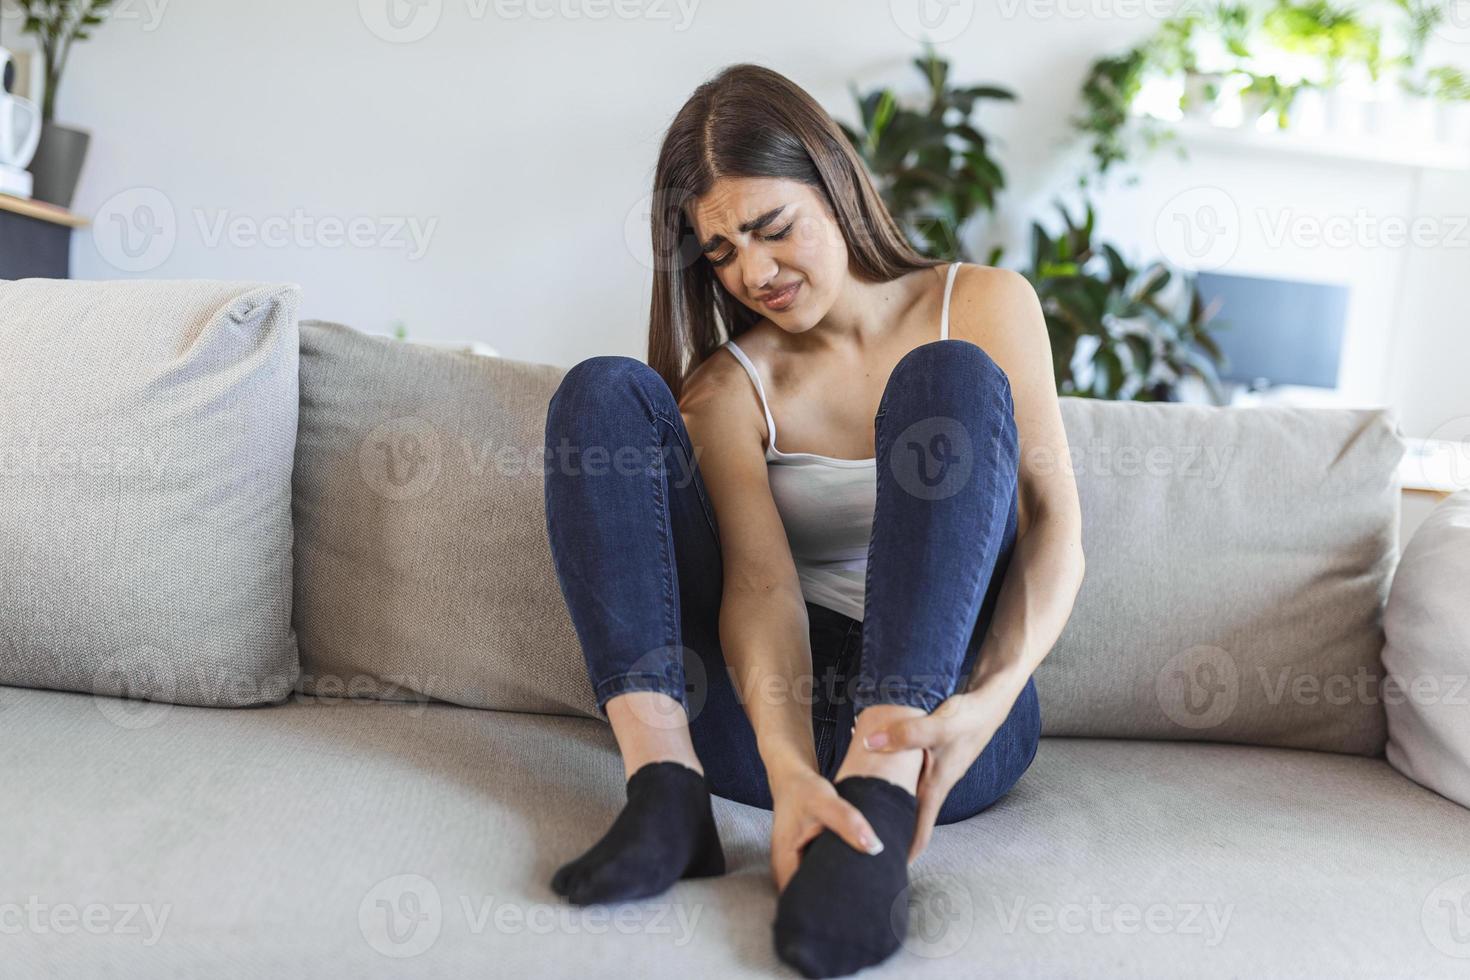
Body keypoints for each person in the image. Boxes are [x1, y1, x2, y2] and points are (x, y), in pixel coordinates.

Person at [542, 63, 1085, 978]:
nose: (752, 271)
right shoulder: (727, 388)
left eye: (771, 227)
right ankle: (664, 793)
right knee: (602, 392)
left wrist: (987, 703)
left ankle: (875, 805)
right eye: (719, 251)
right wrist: (790, 777)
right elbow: (758, 586)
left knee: (943, 378)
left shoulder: (986, 305)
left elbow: (1054, 531)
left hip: (943, 725)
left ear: (834, 184)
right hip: (762, 727)